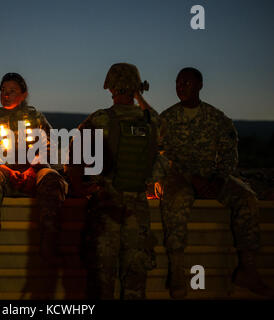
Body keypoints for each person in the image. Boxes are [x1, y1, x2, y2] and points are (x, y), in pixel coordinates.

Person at [159, 67, 274, 298]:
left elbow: (230, 152)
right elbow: (161, 154)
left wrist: (220, 179)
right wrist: (192, 178)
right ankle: (177, 272)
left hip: (212, 177)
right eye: (178, 83)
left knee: (247, 197)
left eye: (186, 83)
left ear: (200, 85)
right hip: (180, 177)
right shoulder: (167, 119)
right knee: (176, 200)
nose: (181, 87)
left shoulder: (216, 118)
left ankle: (248, 269)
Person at [65, 63, 161, 299]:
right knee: (135, 284)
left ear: (111, 88)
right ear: (136, 88)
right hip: (138, 210)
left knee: (101, 282)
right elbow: (160, 125)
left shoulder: (100, 119)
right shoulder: (150, 121)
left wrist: (79, 187)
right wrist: (140, 96)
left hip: (105, 208)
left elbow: (75, 155)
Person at [0, 72, 68, 266]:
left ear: (24, 94)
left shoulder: (35, 117)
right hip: (3, 172)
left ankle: (48, 247)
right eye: (3, 91)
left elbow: (52, 147)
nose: (5, 95)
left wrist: (38, 163)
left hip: (34, 172)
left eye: (12, 91)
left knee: (52, 179)